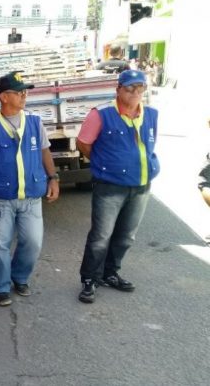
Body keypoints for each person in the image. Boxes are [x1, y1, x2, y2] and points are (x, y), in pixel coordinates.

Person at [0, 71, 59, 307]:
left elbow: (44, 150)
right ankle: (0, 288)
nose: (24, 95)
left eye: (25, 91)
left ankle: (19, 277)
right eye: (19, 92)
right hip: (0, 197)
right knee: (0, 245)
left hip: (31, 195)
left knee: (33, 241)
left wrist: (53, 177)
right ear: (3, 97)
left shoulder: (34, 121)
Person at [76, 70, 159, 304]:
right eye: (129, 88)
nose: (135, 93)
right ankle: (90, 280)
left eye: (139, 88)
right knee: (101, 236)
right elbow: (82, 143)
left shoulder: (151, 115)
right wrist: (105, 164)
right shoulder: (101, 114)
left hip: (141, 185)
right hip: (110, 186)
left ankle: (110, 273)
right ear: (118, 90)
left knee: (126, 236)